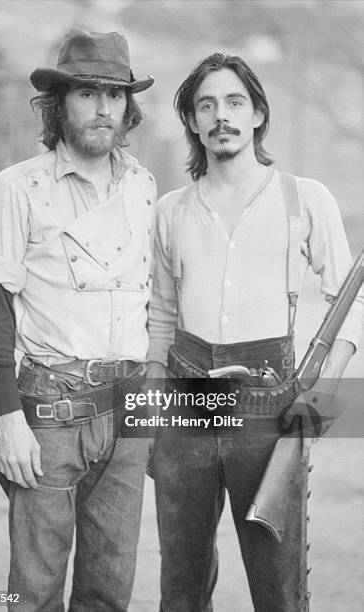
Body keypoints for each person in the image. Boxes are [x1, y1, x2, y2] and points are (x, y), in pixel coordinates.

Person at [147, 54, 363, 611]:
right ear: (193, 122)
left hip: (272, 405)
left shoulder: (305, 198)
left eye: (235, 102)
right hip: (184, 399)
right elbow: (161, 318)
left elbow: (352, 299)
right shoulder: (169, 211)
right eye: (207, 105)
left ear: (259, 113)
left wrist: (323, 396)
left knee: (279, 590)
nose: (222, 115)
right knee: (181, 588)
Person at [0, 28, 156, 611]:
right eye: (86, 93)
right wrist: (10, 419)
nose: (103, 108)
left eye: (115, 95)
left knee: (109, 589)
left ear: (129, 107)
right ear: (58, 104)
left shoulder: (146, 187)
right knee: (35, 590)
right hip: (49, 412)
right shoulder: (18, 188)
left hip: (127, 414)